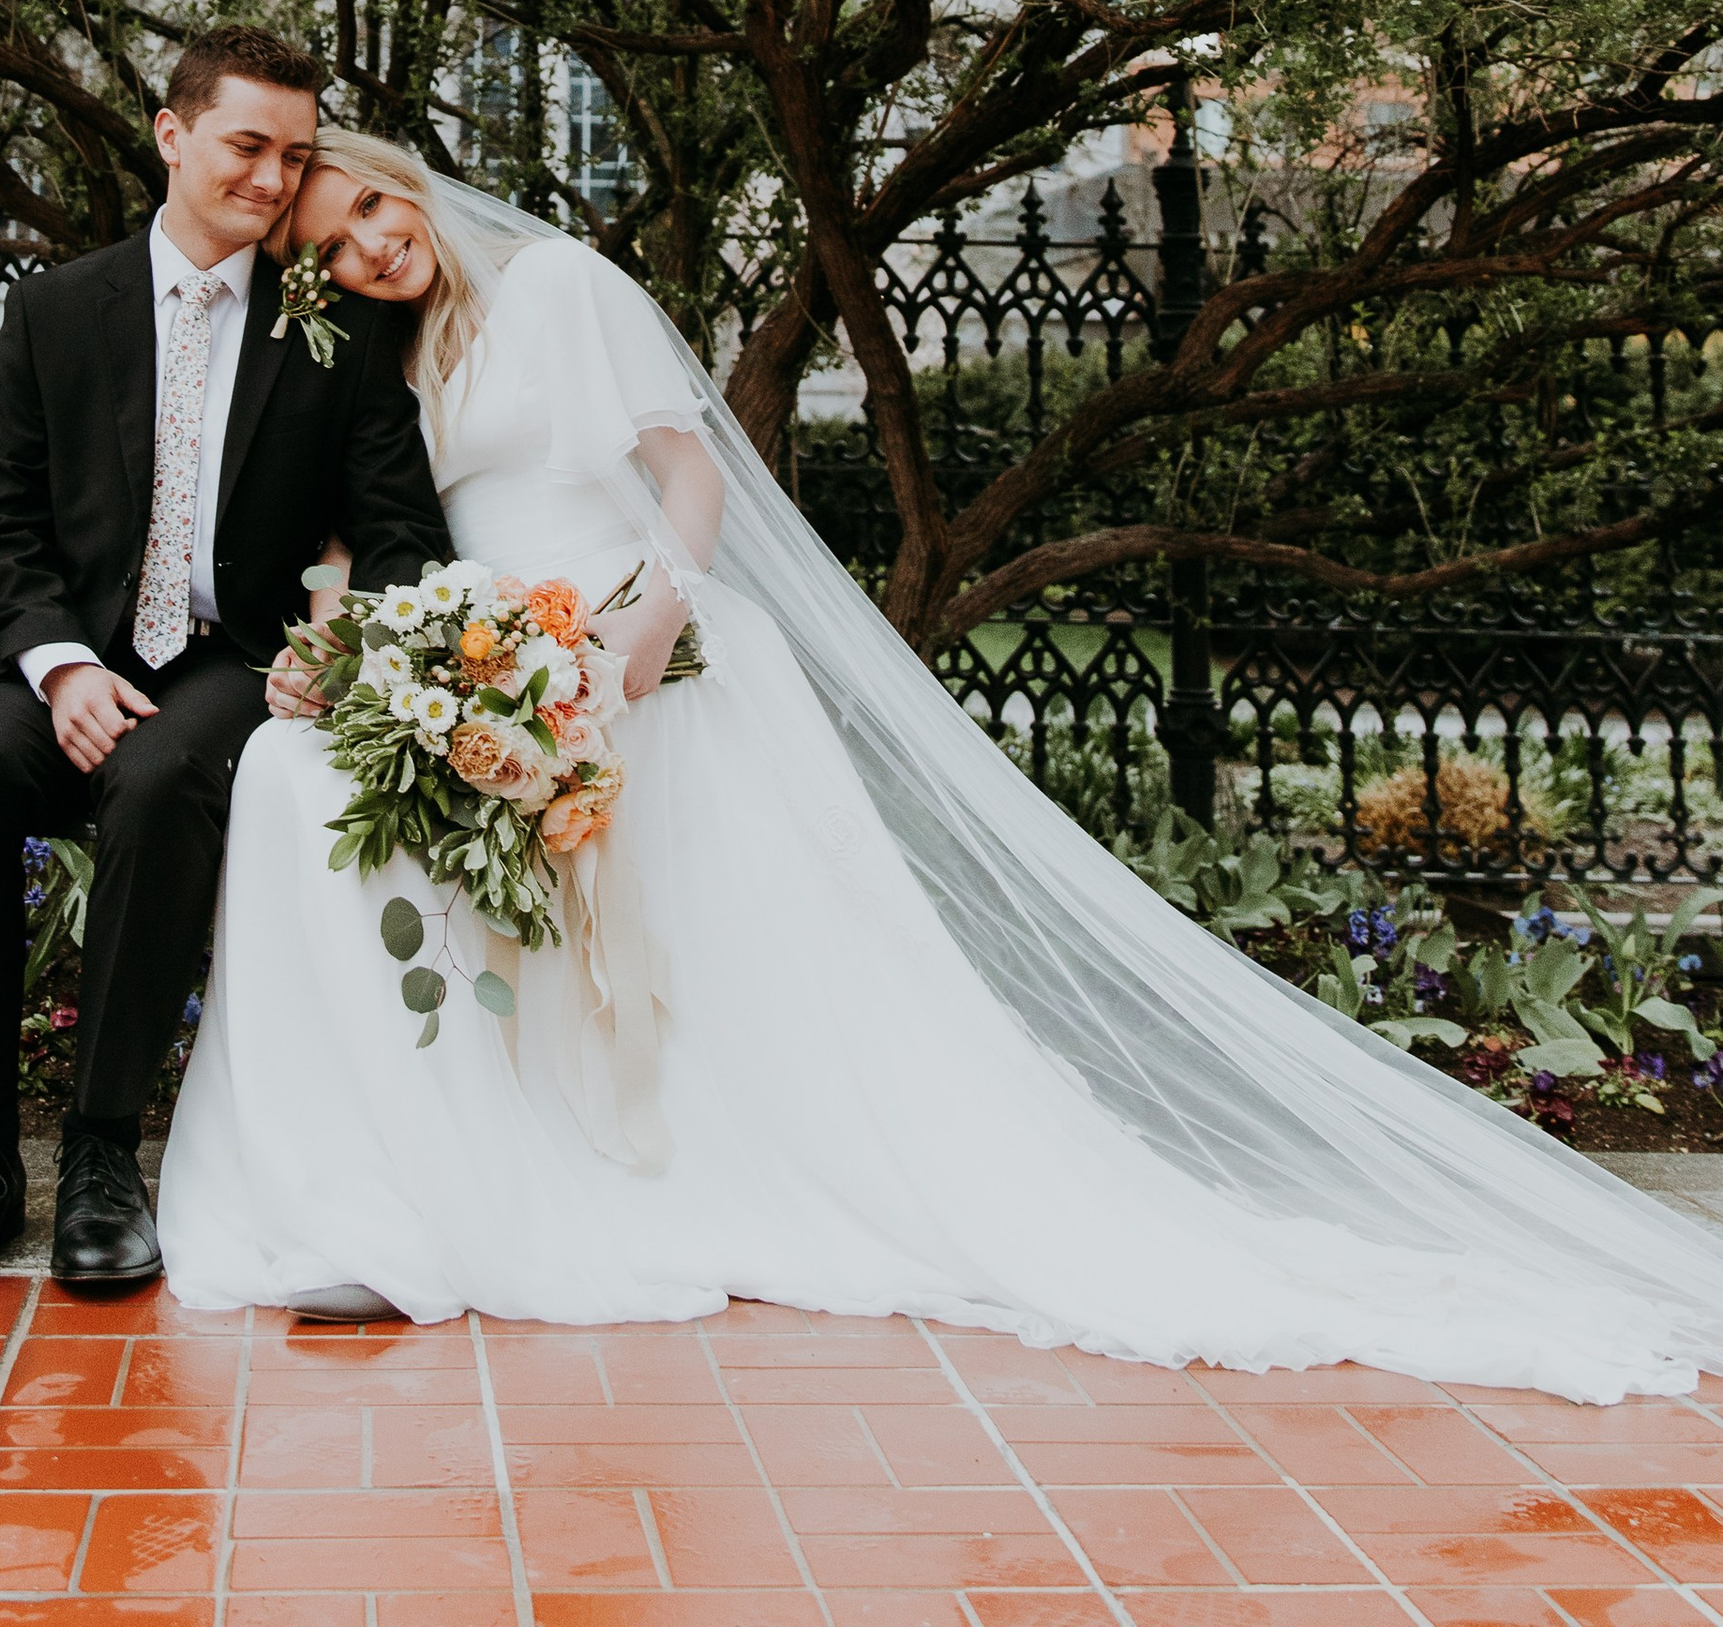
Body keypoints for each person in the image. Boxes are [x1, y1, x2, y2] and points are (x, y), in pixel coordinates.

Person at [157, 126, 1723, 1399]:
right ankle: (472, 1169)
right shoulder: (398, 359)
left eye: (366, 208)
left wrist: (642, 633)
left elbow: (687, 479)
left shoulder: (562, 283)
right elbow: (389, 537)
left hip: (652, 657)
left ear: (400, 179)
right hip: (508, 672)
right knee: (455, 894)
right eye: (330, 249)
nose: (366, 247)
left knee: (746, 987)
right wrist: (366, 647)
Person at [0, 28, 452, 1293]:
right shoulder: (53, 310)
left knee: (160, 786)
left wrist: (343, 644)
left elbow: (409, 535)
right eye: (246, 144)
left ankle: (100, 1154)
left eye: (292, 155)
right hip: (69, 659)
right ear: (172, 133)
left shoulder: (334, 337)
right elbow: (1, 520)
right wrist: (60, 666)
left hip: (230, 663)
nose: (267, 176)